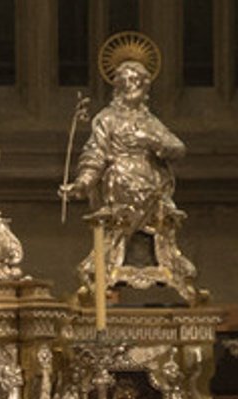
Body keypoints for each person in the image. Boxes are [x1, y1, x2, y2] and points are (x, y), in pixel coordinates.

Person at [58, 49, 197, 299]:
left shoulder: (151, 123)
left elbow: (178, 148)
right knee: (119, 181)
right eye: (125, 82)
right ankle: (111, 261)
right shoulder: (106, 119)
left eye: (136, 81)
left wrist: (152, 140)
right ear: (118, 87)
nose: (131, 86)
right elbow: (95, 155)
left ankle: (159, 260)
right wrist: (81, 183)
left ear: (145, 87)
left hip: (152, 185)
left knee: (158, 202)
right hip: (118, 185)